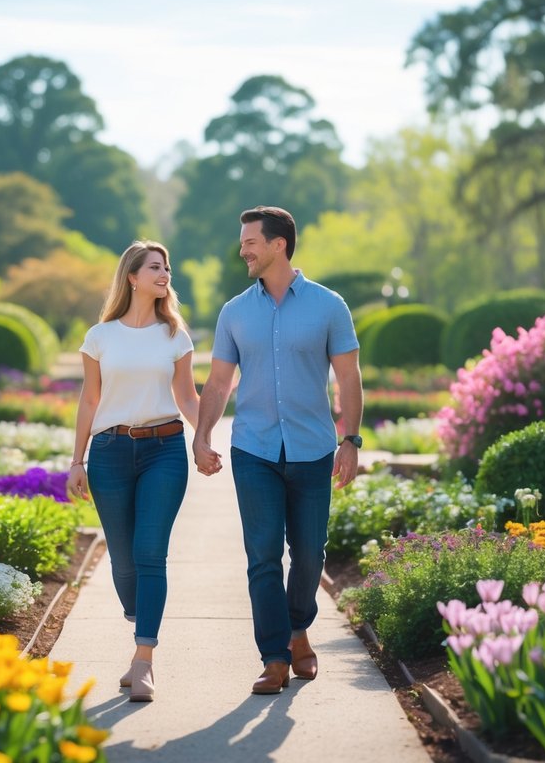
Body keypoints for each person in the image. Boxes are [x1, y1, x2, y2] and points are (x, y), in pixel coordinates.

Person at [193, 206, 363, 695]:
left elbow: (348, 377)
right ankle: (274, 658)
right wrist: (203, 435)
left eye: (250, 242)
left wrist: (350, 440)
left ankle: (298, 630)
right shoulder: (234, 312)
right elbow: (220, 381)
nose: (242, 249)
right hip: (254, 450)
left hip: (312, 450)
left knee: (309, 553)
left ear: (278, 245)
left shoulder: (330, 306)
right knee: (263, 556)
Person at [66, 240, 203, 703]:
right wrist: (76, 460)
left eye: (167, 267)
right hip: (108, 453)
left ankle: (143, 659)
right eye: (155, 267)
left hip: (165, 449)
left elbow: (186, 396)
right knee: (123, 562)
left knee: (150, 552)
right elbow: (89, 399)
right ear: (132, 277)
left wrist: (203, 438)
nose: (164, 274)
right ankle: (140, 617)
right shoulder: (100, 336)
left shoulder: (175, 335)